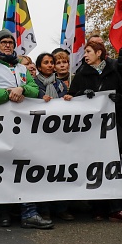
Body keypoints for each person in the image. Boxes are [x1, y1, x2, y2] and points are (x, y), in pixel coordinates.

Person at [0, 29, 52, 229]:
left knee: (23, 167)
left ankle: (29, 212)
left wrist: (22, 89)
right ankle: (4, 212)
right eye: (4, 42)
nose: (8, 45)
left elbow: (35, 90)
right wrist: (7, 94)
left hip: (21, 129)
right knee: (1, 169)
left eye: (10, 42)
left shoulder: (22, 69)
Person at [68, 37, 122, 224]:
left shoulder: (114, 72)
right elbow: (71, 97)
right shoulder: (81, 74)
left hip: (113, 126)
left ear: (99, 53)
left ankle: (117, 208)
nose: (85, 56)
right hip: (92, 130)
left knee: (113, 165)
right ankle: (98, 206)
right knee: (95, 165)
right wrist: (82, 96)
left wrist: (119, 99)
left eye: (89, 52)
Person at [33, 52, 73, 221]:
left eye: (52, 62)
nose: (50, 65)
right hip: (39, 135)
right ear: (39, 66)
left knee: (59, 170)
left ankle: (61, 208)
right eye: (46, 62)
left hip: (58, 134)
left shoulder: (61, 85)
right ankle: (44, 209)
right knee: (42, 171)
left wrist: (69, 98)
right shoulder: (33, 84)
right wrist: (39, 98)